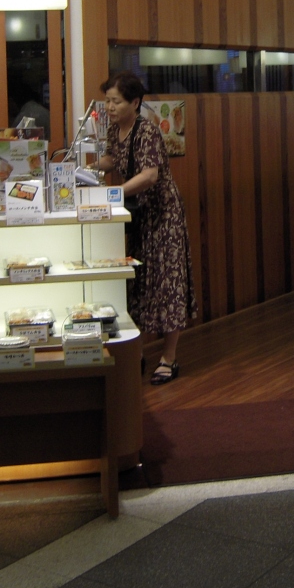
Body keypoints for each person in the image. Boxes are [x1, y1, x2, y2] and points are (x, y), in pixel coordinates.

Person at [96, 71, 195, 385]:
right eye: (107, 101)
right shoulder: (115, 129)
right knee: (138, 282)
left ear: (135, 102)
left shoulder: (148, 130)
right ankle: (136, 351)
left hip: (163, 215)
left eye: (116, 101)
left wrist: (113, 193)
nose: (110, 107)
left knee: (168, 282)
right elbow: (112, 159)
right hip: (139, 214)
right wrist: (82, 168)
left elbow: (150, 175)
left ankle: (169, 358)